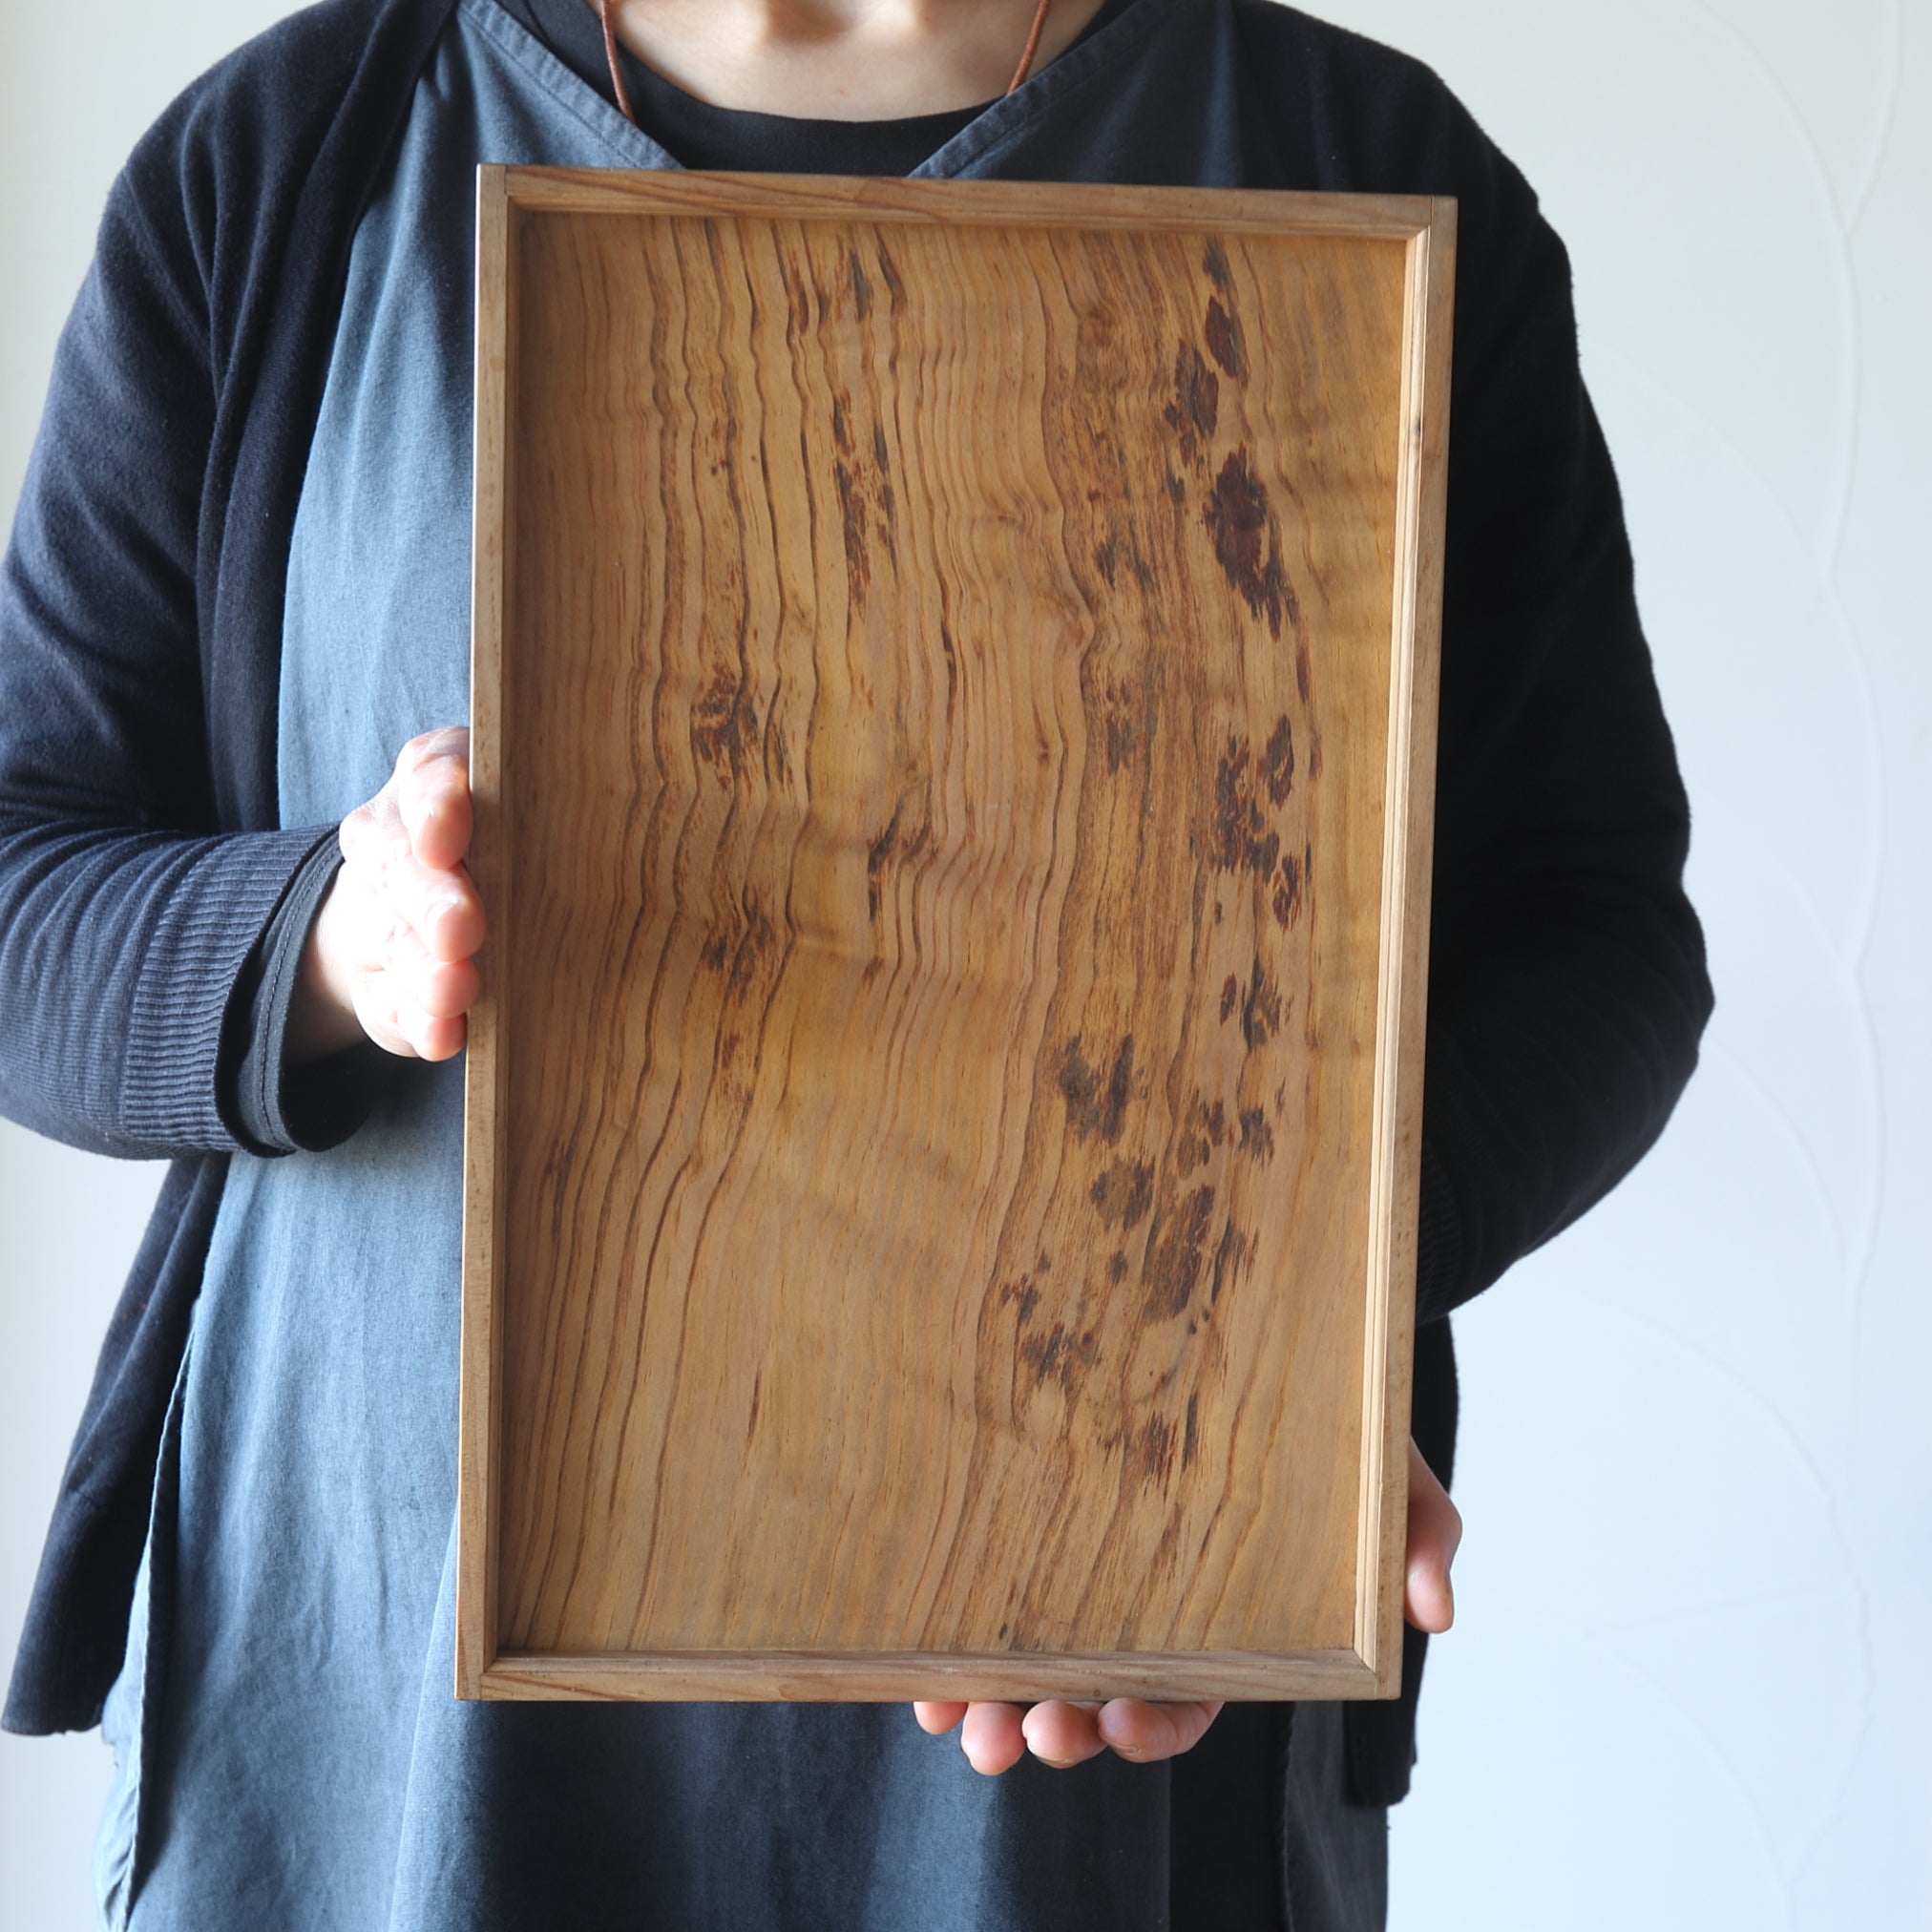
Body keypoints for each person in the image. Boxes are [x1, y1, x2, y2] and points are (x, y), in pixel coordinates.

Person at [0, 0, 1712, 1926]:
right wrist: (330, 927)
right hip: (380, 1741)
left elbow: (1594, 935)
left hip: (1072, 1754)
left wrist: (1268, 1351)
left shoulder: (1357, 164)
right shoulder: (288, 159)